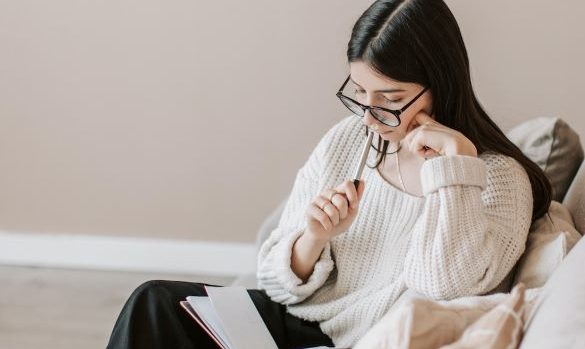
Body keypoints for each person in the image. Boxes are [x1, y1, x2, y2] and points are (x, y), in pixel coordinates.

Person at [106, 0, 552, 348]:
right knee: (155, 303)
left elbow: (445, 289)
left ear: (441, 84)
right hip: (293, 323)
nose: (371, 116)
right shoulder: (350, 140)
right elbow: (273, 279)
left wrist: (455, 168)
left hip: (361, 341)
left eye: (390, 98)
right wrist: (313, 238)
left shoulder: (497, 179)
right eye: (360, 92)